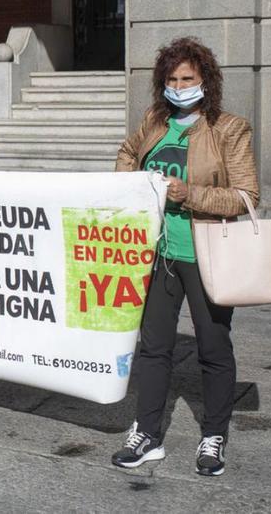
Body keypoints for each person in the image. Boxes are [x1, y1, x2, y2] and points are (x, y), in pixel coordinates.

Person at [110, 36, 259, 477]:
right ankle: (147, 434)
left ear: (205, 81)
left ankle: (213, 436)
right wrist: (130, 184)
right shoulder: (155, 121)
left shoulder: (229, 129)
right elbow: (127, 152)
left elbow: (246, 196)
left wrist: (187, 193)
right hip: (158, 254)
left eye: (188, 78)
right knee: (154, 349)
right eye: (172, 79)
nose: (179, 86)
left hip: (207, 254)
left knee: (213, 349)